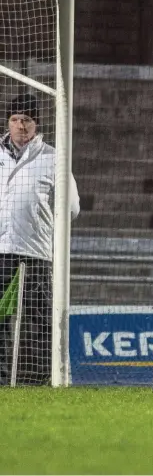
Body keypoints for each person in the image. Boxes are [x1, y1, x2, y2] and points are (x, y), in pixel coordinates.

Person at [0, 93, 80, 385]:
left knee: (37, 320)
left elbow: (72, 208)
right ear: (8, 122)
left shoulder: (53, 158)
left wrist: (39, 223)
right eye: (15, 119)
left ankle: (36, 379)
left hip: (34, 252)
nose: (20, 126)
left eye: (27, 120)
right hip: (0, 250)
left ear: (37, 124)